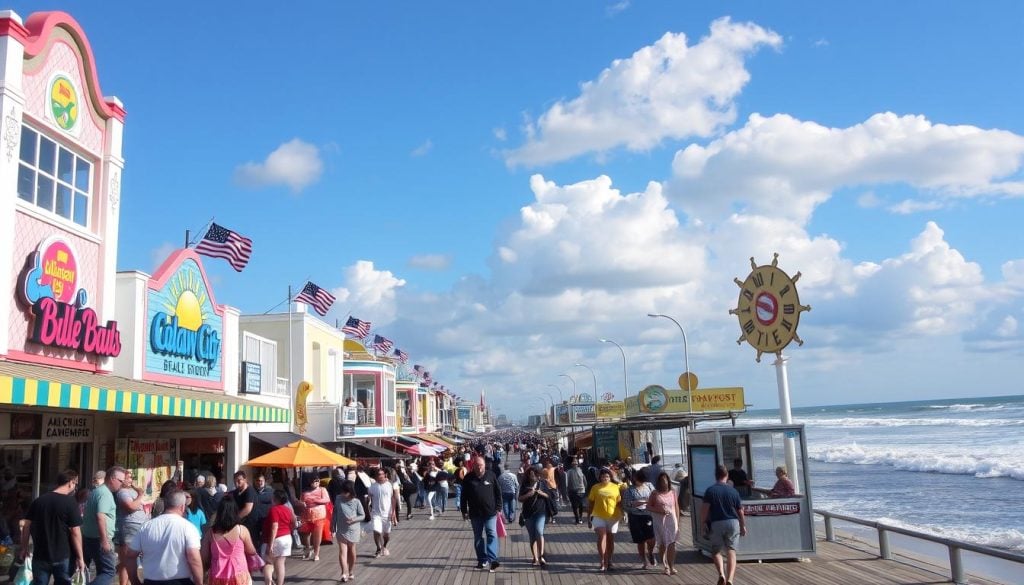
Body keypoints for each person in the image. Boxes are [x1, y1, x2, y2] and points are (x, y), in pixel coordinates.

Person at [21, 469, 85, 585]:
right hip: (62, 555)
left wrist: (24, 548)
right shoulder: (70, 503)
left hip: (40, 555)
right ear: (70, 482)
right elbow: (75, 531)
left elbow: (26, 526)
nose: (75, 487)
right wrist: (80, 557)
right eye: (75, 483)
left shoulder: (39, 501)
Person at [125, 489, 203, 585]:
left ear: (165, 505)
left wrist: (135, 581)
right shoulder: (188, 527)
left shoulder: (146, 526)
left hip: (151, 581)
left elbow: (130, 556)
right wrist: (199, 582)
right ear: (182, 507)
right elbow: (194, 558)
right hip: (180, 581)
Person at [701, 465, 747, 585]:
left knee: (716, 551)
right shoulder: (733, 490)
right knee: (731, 551)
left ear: (715, 476)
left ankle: (721, 574)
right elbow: (740, 511)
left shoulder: (710, 491)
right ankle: (730, 579)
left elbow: (705, 510)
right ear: (727, 476)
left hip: (717, 523)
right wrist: (743, 525)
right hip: (733, 522)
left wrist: (703, 523)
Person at [200, 497, 262, 585]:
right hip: (240, 575)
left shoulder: (210, 533)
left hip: (217, 577)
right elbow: (251, 551)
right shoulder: (242, 530)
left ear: (219, 513)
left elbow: (204, 556)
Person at [460, 456, 502, 572]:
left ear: (484, 465)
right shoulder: (468, 478)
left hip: (490, 512)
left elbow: (498, 492)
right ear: (473, 466)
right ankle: (482, 559)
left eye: (481, 465)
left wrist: (499, 507)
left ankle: (493, 560)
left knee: (491, 534)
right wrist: (464, 511)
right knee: (478, 537)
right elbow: (463, 496)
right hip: (475, 513)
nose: (479, 467)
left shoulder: (491, 475)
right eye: (477, 465)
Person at [83, 466, 123, 585]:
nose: (121, 484)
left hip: (90, 537)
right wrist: (104, 541)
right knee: (109, 572)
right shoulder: (104, 493)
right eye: (120, 481)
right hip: (99, 539)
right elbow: (100, 516)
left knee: (102, 571)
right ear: (112, 479)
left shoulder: (97, 491)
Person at [114, 470, 147, 585]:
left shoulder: (132, 491)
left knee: (132, 559)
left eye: (131, 478)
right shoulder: (123, 492)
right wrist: (141, 495)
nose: (130, 480)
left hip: (139, 527)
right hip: (130, 527)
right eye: (127, 478)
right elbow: (131, 506)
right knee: (127, 560)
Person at [586, 468, 622, 572]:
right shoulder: (595, 488)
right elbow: (591, 503)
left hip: (613, 516)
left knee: (610, 539)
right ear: (599, 478)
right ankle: (602, 560)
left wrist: (624, 514)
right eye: (603, 476)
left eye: (607, 476)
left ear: (610, 477)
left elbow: (619, 502)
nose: (605, 478)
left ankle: (609, 561)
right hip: (598, 516)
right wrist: (588, 517)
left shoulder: (615, 487)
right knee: (602, 536)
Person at [330, 480, 362, 584]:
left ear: (351, 491)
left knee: (352, 550)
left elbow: (363, 515)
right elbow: (335, 512)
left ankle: (351, 571)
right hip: (341, 528)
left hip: (353, 529)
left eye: (346, 491)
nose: (344, 494)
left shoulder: (356, 501)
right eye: (343, 491)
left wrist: (354, 519)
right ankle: (344, 572)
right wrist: (332, 524)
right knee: (342, 551)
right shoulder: (338, 498)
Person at [517, 467, 550, 568]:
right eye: (530, 475)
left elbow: (549, 496)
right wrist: (528, 494)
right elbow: (519, 498)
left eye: (534, 474)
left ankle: (541, 556)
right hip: (528, 514)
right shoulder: (525, 485)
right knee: (532, 537)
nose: (533, 476)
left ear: (537, 475)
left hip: (540, 512)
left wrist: (541, 493)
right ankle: (535, 557)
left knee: (539, 532)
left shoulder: (542, 484)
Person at [623, 469, 655, 569]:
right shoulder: (629, 490)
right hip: (635, 516)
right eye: (639, 479)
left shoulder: (649, 486)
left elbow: (655, 497)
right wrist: (635, 503)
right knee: (640, 540)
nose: (641, 482)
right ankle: (644, 560)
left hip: (648, 515)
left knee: (651, 538)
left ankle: (650, 552)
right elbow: (626, 505)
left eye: (642, 480)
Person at [649, 472, 679, 576]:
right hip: (659, 521)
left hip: (671, 521)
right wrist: (659, 510)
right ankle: (665, 565)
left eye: (665, 480)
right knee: (662, 544)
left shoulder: (673, 492)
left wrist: (678, 522)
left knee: (672, 543)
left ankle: (671, 566)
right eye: (662, 480)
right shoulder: (654, 493)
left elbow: (676, 507)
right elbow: (649, 507)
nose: (664, 482)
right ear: (658, 482)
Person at [262, 490, 293, 585]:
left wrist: (270, 545)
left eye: (273, 496)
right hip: (287, 538)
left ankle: (268, 582)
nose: (272, 498)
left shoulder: (274, 509)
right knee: (280, 564)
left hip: (276, 539)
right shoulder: (288, 509)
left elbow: (274, 527)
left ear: (277, 499)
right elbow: (293, 523)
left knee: (268, 563)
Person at [368, 467, 398, 558]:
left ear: (385, 475)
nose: (379, 476)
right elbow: (368, 499)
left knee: (386, 534)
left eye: (381, 474)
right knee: (377, 531)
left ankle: (384, 546)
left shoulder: (390, 485)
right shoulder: (372, 487)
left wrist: (393, 513)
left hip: (387, 513)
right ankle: (378, 548)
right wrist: (367, 511)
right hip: (376, 513)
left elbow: (393, 500)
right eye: (378, 474)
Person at [299, 476, 329, 561]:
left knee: (317, 535)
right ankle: (308, 549)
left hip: (319, 515)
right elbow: (301, 501)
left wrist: (315, 501)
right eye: (314, 481)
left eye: (317, 481)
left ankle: (316, 553)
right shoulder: (305, 491)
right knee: (305, 534)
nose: (316, 482)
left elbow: (327, 500)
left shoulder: (322, 490)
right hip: (306, 515)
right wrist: (301, 504)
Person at [251, 475, 273, 547]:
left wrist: (255, 498)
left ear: (264, 482)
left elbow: (268, 498)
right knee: (254, 539)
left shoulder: (270, 491)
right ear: (255, 481)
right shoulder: (251, 491)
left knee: (265, 539)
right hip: (254, 520)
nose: (259, 483)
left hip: (265, 519)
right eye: (258, 481)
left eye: (261, 481)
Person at [566, 458, 587, 524]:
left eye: (576, 462)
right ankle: (577, 518)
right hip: (572, 491)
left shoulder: (581, 470)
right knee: (574, 506)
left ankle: (580, 517)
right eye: (573, 462)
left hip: (581, 491)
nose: (575, 463)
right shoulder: (569, 472)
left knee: (581, 505)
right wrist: (567, 491)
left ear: (578, 464)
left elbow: (584, 480)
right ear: (571, 464)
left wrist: (585, 488)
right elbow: (566, 482)